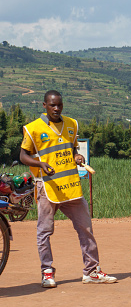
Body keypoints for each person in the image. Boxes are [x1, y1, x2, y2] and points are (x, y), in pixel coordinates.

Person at [20, 90, 117, 287]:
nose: (56, 108)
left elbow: (71, 149)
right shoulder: (33, 129)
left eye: (59, 105)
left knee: (85, 228)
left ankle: (91, 271)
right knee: (45, 231)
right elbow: (23, 156)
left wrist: (77, 157)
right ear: (44, 105)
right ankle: (47, 271)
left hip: (71, 186)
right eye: (52, 105)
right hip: (48, 187)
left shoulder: (71, 124)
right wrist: (40, 165)